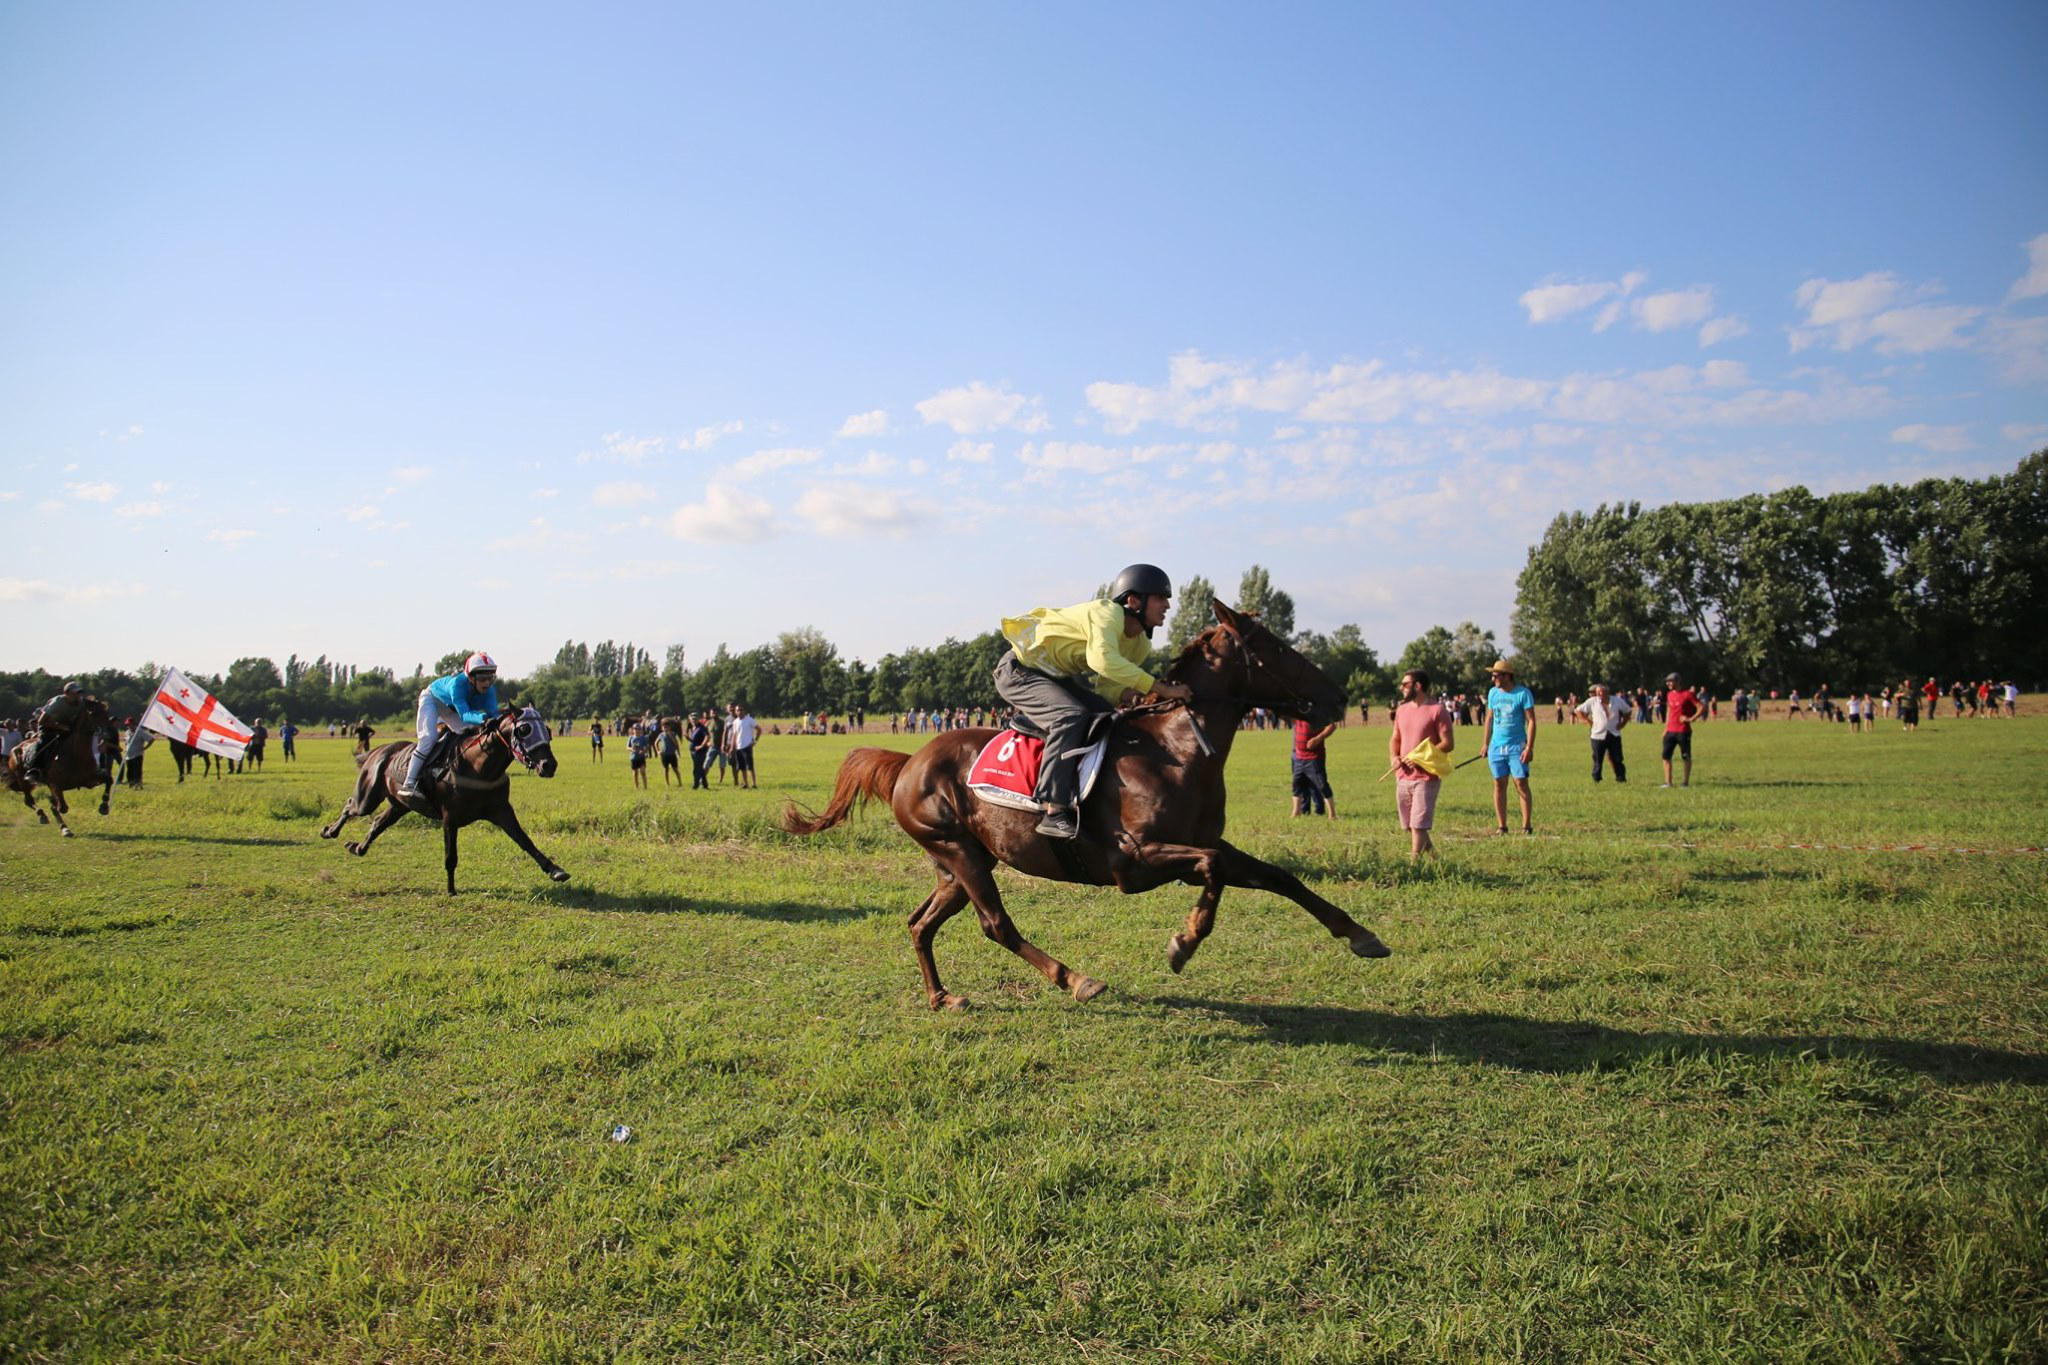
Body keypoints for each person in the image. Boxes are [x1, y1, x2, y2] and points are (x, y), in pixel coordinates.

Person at [993, 564, 1192, 839]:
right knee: (1070, 716)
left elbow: (1108, 687)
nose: (1168, 605)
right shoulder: (1106, 613)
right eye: (1160, 597)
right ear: (1134, 600)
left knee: (1108, 716)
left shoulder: (1140, 644)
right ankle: (1053, 809)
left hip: (1056, 679)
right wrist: (1158, 686)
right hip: (1019, 671)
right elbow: (1103, 660)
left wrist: (1138, 695)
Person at [395, 652, 501, 807]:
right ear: (471, 678)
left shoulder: (489, 690)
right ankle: (409, 783)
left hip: (451, 708)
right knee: (428, 739)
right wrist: (483, 719)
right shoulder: (457, 685)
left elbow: (493, 713)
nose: (487, 683)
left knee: (469, 733)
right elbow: (465, 715)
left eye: (490, 678)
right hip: (432, 700)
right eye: (482, 679)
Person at [1390, 668, 1454, 859]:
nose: (1401, 688)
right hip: (1403, 776)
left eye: (1405, 684)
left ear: (1417, 686)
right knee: (1411, 826)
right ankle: (1435, 858)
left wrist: (1420, 757)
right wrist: (1394, 757)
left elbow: (1448, 743)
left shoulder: (1437, 710)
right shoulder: (1401, 710)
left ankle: (1414, 861)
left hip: (1427, 776)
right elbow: (1395, 738)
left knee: (1419, 824)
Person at [1481, 660, 1536, 835]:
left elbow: (1532, 721)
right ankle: (1502, 826)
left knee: (1521, 783)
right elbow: (1489, 719)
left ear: (1507, 676)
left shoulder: (1523, 694)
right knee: (1499, 784)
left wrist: (1529, 747)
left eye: (1496, 675)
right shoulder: (1493, 694)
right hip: (1497, 747)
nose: (1493, 678)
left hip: (1516, 747)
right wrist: (1485, 744)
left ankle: (1526, 826)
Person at [18, 681, 89, 783]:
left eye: (79, 693)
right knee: (45, 743)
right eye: (75, 693)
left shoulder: (81, 702)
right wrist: (60, 726)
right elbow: (41, 721)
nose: (78, 695)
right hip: (48, 727)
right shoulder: (57, 703)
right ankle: (34, 770)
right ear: (67, 693)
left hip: (67, 728)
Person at [1575, 682, 1631, 783]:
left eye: (1603, 692)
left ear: (1607, 692)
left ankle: (1620, 777)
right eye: (1598, 692)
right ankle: (1597, 778)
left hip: (1613, 734)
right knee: (1597, 759)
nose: (1601, 694)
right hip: (1598, 735)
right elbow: (1578, 710)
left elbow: (1628, 711)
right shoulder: (1592, 702)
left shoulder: (1617, 701)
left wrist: (1623, 723)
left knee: (1617, 758)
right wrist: (1587, 721)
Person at [1660, 671, 1704, 787]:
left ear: (1678, 681)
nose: (1668, 684)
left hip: (1683, 731)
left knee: (1686, 757)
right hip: (1670, 731)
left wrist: (1691, 719)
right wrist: (1665, 728)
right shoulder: (1669, 695)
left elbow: (1701, 707)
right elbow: (1669, 711)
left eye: (1670, 681)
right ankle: (1668, 782)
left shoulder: (1687, 694)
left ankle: (1685, 782)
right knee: (1665, 756)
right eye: (1667, 682)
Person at [1290, 715, 1337, 819]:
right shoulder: (1296, 711)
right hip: (1299, 756)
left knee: (1322, 785)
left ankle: (1332, 814)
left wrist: (1318, 738)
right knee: (1297, 785)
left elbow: (1332, 725)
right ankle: (1296, 812)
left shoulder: (1316, 712)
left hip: (1314, 757)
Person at [726, 702, 759, 789]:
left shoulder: (749, 720)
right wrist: (732, 747)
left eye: (741, 710)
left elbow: (759, 729)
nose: (739, 711)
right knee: (742, 767)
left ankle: (754, 784)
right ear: (736, 712)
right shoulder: (735, 722)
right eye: (738, 710)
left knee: (750, 766)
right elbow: (734, 735)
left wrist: (755, 740)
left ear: (744, 711)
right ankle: (745, 784)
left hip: (747, 746)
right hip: (738, 747)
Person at [687, 711, 712, 788]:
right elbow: (694, 740)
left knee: (696, 769)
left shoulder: (701, 727)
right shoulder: (693, 727)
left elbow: (707, 736)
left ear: (698, 719)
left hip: (700, 751)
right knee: (700, 768)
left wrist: (701, 746)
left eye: (695, 719)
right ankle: (705, 784)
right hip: (693, 751)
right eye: (692, 719)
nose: (693, 720)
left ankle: (696, 784)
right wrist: (688, 738)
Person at [656, 718, 683, 786]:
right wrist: (658, 751)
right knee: (666, 769)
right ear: (662, 728)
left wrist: (678, 753)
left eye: (667, 727)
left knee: (675, 769)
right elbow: (655, 743)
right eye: (664, 727)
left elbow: (676, 744)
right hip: (664, 754)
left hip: (672, 754)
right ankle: (667, 783)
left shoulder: (673, 734)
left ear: (670, 727)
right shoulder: (661, 735)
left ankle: (680, 782)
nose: (665, 728)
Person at [626, 721, 652, 789]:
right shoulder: (631, 738)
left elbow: (647, 747)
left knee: (643, 772)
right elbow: (627, 747)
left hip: (641, 757)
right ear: (633, 730)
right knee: (635, 773)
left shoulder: (643, 738)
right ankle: (636, 787)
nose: (637, 730)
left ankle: (645, 787)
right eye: (635, 729)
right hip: (633, 757)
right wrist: (632, 749)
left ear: (640, 730)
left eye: (638, 729)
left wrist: (643, 751)